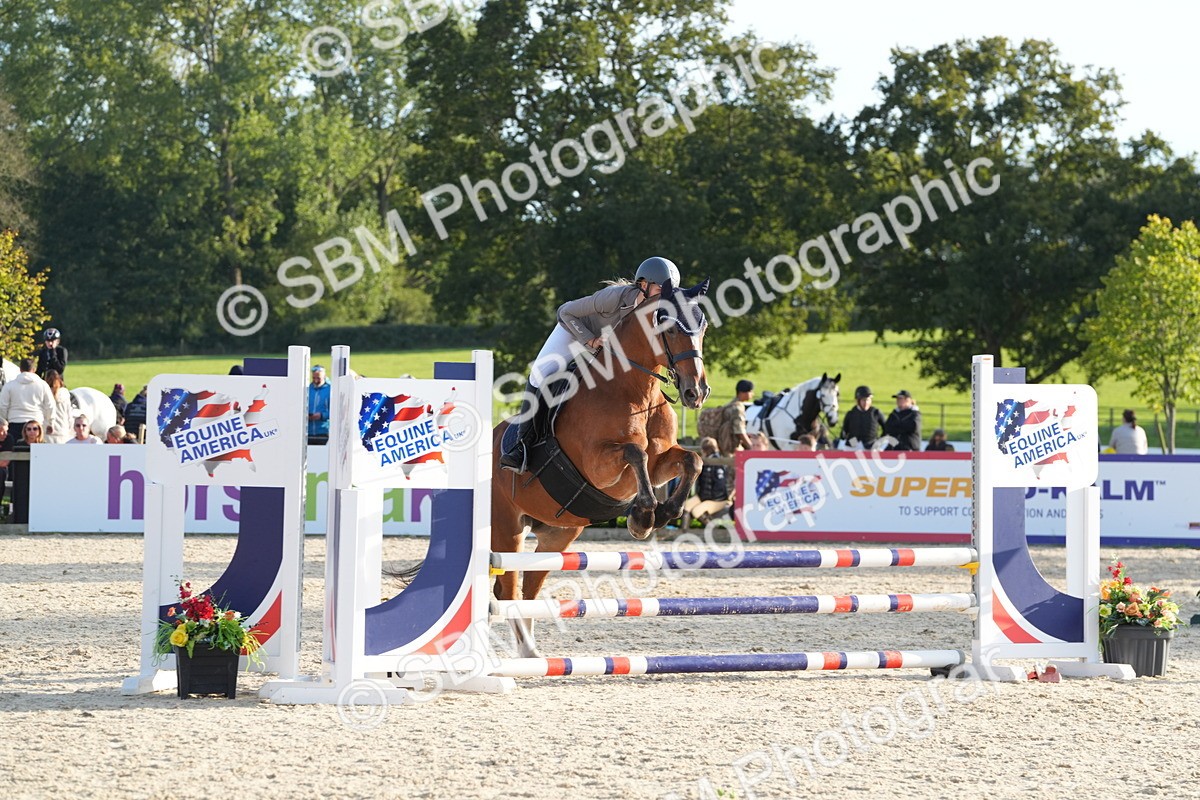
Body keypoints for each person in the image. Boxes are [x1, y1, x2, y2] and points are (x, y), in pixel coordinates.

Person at [499, 256, 683, 473]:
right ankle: (522, 445)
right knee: (540, 373)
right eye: (660, 289)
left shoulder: (658, 313)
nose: (665, 296)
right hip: (575, 331)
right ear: (644, 285)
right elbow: (565, 312)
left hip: (605, 348)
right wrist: (590, 340)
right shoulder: (614, 298)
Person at [680, 437, 732, 528]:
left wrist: (707, 499)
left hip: (717, 498)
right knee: (685, 507)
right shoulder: (705, 461)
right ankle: (684, 530)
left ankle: (714, 530)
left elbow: (720, 485)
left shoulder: (718, 462)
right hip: (703, 495)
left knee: (696, 511)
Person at [0, 358, 56, 437]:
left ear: (20, 369)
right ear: (34, 369)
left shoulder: (9, 386)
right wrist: (50, 422)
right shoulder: (42, 385)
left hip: (15, 422)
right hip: (36, 424)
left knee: (18, 448)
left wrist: (4, 422)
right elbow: (50, 405)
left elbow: (3, 406)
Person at [11, 420, 45, 524]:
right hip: (22, 478)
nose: (32, 431)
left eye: (35, 429)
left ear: (39, 430)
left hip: (40, 479)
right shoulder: (19, 444)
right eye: (28, 429)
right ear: (25, 431)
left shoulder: (45, 445)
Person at [838, 385, 886, 449]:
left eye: (868, 400)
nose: (866, 403)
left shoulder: (876, 413)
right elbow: (844, 432)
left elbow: (886, 429)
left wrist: (879, 441)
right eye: (863, 400)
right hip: (853, 446)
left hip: (871, 446)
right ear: (857, 401)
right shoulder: (850, 414)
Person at [718, 379, 756, 457]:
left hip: (722, 443)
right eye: (751, 391)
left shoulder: (730, 405)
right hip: (731, 448)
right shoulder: (738, 408)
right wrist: (751, 446)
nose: (753, 394)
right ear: (743, 392)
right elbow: (739, 431)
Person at [45, 369, 72, 444]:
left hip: (48, 431)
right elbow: (69, 414)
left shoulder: (44, 393)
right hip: (62, 430)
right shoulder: (65, 393)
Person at [308, 365, 331, 445]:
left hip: (324, 432)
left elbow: (336, 411)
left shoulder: (331, 390)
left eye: (318, 378)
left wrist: (321, 416)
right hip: (308, 432)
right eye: (314, 378)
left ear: (324, 376)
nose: (316, 380)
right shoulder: (307, 389)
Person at [0, 418, 11, 518]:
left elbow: (5, 462)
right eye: (2, 431)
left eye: (6, 430)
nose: (5, 434)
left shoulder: (9, 439)